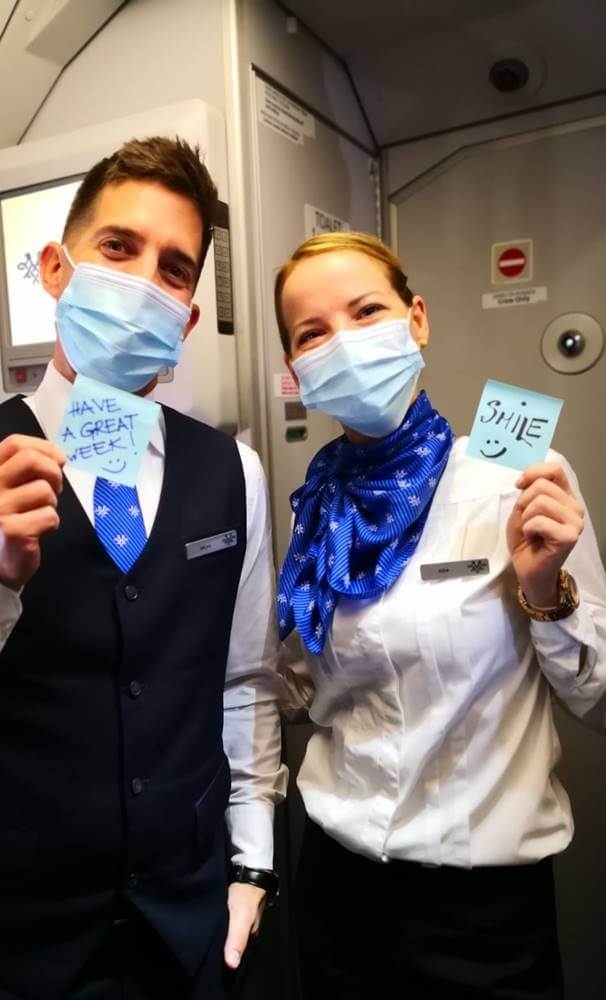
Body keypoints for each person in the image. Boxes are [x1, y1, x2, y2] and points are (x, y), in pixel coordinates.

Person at [0, 137, 286, 999]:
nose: (142, 284)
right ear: (56, 270)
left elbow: (244, 682)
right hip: (3, 945)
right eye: (117, 249)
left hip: (186, 930)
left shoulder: (232, 472)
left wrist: (253, 861)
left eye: (172, 271)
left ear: (186, 320)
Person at [273, 231, 606, 1000]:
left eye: (367, 312)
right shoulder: (316, 510)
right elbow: (303, 686)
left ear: (416, 319)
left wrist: (547, 593)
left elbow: (600, 699)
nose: (344, 344)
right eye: (313, 333)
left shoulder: (515, 481)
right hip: (338, 888)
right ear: (296, 369)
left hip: (481, 915)